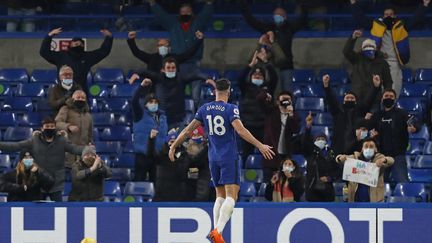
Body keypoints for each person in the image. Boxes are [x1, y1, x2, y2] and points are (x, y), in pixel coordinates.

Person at [168, 78, 275, 243]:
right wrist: (260, 145)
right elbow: (240, 130)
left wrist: (173, 146)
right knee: (232, 196)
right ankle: (218, 231)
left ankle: (215, 232)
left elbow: (188, 130)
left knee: (220, 195)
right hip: (228, 156)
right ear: (229, 91)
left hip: (213, 157)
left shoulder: (204, 109)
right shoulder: (231, 108)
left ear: (214, 91)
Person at [350, 0, 431, 95]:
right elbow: (361, 19)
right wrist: (353, 4)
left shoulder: (401, 27)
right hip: (378, 64)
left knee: (393, 93)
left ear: (395, 16)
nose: (388, 16)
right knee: (377, 93)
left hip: (395, 64)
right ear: (383, 16)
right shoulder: (376, 26)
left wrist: (424, 5)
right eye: (386, 14)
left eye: (391, 14)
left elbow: (416, 19)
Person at [0, 117, 86, 202]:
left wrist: (88, 149)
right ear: (42, 128)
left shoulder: (62, 141)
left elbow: (75, 149)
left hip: (57, 183)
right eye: (47, 126)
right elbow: (15, 146)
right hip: (39, 183)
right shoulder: (34, 141)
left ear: (55, 128)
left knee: (59, 210)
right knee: (40, 212)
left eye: (52, 126)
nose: (49, 128)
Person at [148, 0, 214, 106]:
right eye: (183, 12)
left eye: (187, 11)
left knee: (196, 94)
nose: (185, 14)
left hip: (194, 62)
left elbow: (206, 13)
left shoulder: (198, 23)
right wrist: (153, 4)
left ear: (192, 13)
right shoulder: (173, 24)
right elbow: (161, 15)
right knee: (177, 92)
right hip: (178, 64)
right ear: (179, 13)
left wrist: (209, 4)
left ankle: (196, 114)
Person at [241, 0, 308, 91]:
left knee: (287, 91)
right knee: (274, 91)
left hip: (287, 66)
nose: (277, 17)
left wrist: (303, 6)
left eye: (280, 15)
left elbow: (302, 20)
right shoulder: (269, 28)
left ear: (285, 17)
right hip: (271, 66)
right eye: (275, 15)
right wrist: (245, 7)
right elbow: (253, 22)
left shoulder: (290, 28)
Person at [129, 57, 210, 129]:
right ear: (163, 69)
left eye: (173, 68)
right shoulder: (158, 78)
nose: (171, 70)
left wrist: (207, 78)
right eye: (168, 67)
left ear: (176, 69)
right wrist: (136, 74)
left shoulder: (181, 78)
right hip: (161, 120)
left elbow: (196, 75)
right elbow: (144, 71)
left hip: (179, 120)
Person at [368, 89, 420, 183]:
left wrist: (414, 128)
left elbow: (415, 123)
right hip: (381, 155)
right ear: (382, 99)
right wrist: (371, 132)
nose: (388, 98)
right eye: (386, 96)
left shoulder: (402, 113)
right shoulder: (377, 115)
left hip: (398, 155)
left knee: (402, 181)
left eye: (391, 97)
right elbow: (369, 129)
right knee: (378, 183)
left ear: (395, 99)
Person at [39, 27, 113, 94]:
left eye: (80, 43)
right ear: (70, 44)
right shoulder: (61, 56)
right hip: (63, 94)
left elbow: (103, 51)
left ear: (83, 46)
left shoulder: (88, 57)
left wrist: (109, 38)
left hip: (81, 94)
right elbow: (44, 52)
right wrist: (49, 36)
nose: (78, 44)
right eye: (75, 43)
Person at [323, 74, 381, 155]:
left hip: (356, 148)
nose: (349, 99)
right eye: (347, 98)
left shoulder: (360, 111)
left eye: (352, 98)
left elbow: (368, 100)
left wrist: (375, 87)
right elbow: (331, 99)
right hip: (338, 147)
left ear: (356, 101)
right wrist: (326, 86)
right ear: (343, 101)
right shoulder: (337, 111)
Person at [239, 52, 278, 161]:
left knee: (267, 155)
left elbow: (274, 77)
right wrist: (250, 65)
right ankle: (242, 174)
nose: (257, 76)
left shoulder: (268, 89)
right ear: (250, 77)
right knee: (245, 155)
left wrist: (266, 62)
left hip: (264, 128)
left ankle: (267, 176)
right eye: (254, 75)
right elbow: (240, 79)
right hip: (248, 127)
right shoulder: (245, 88)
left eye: (260, 75)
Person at [343, 30, 392, 110]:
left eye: (370, 46)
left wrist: (386, 95)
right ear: (362, 49)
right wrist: (353, 38)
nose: (368, 48)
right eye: (366, 46)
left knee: (373, 121)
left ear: (375, 48)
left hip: (374, 99)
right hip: (357, 98)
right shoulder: (357, 59)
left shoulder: (382, 63)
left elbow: (388, 81)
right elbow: (346, 52)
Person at [131, 78, 168, 182]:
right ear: (146, 104)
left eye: (156, 102)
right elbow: (134, 101)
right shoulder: (140, 114)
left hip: (157, 156)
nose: (154, 103)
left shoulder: (163, 117)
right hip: (142, 155)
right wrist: (142, 87)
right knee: (139, 182)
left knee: (157, 184)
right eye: (151, 102)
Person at [336, 138, 394, 202]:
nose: (368, 148)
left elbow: (391, 160)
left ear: (376, 149)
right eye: (366, 146)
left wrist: (384, 160)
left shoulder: (379, 158)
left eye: (371, 146)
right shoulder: (355, 158)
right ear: (362, 149)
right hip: (355, 201)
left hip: (374, 201)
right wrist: (340, 158)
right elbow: (339, 158)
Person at [262, 91, 301, 182]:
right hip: (271, 155)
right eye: (284, 99)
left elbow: (296, 130)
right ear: (277, 101)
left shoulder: (295, 115)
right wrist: (266, 94)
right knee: (270, 184)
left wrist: (291, 115)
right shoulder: (271, 112)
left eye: (288, 100)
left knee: (285, 185)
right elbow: (260, 100)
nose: (286, 102)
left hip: (285, 155)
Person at [302, 112, 340, 202]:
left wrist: (329, 178)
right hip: (312, 190)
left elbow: (337, 170)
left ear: (326, 142)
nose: (320, 141)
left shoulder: (331, 153)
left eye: (322, 139)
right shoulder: (310, 152)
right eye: (318, 139)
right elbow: (305, 143)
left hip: (327, 191)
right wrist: (308, 127)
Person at [127, 30, 204, 73]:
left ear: (169, 48)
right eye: (160, 45)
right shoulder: (151, 58)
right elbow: (137, 52)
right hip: (154, 90)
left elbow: (189, 53)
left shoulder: (175, 58)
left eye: (165, 45)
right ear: (157, 47)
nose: (162, 47)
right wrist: (131, 40)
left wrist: (199, 40)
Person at [55, 90, 94, 168]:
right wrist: (68, 126)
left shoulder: (88, 115)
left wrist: (90, 143)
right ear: (73, 98)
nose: (80, 99)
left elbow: (90, 134)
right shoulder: (65, 109)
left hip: (82, 153)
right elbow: (57, 124)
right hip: (67, 151)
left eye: (83, 98)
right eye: (78, 97)